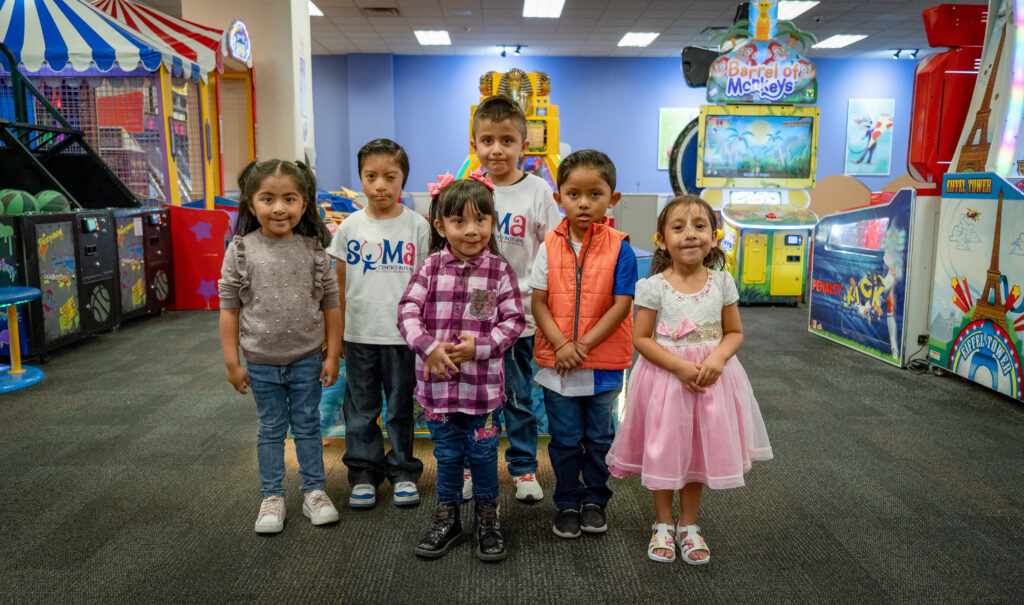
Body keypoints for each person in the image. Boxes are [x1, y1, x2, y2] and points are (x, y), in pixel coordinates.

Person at [605, 195, 773, 565]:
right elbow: (642, 339)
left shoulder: (723, 282)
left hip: (712, 379)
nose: (690, 235)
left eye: (700, 226)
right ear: (662, 240)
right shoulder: (652, 286)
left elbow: (734, 332)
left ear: (714, 237)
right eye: (678, 227)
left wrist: (718, 357)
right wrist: (679, 367)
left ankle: (689, 525)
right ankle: (663, 523)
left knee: (698, 449)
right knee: (665, 449)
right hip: (667, 379)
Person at [398, 173, 526, 561]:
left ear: (492, 222)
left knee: (485, 457)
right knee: (448, 456)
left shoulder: (499, 271)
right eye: (459, 221)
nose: (471, 230)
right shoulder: (431, 267)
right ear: (440, 226)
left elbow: (514, 321)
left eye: (481, 220)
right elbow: (407, 311)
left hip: (482, 392)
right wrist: (429, 348)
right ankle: (447, 517)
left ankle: (487, 518)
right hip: (437, 392)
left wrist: (481, 347)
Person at [218, 159, 342, 534]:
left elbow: (332, 305)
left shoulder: (314, 249)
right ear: (251, 204)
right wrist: (231, 363)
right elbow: (229, 310)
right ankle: (272, 496)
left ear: (304, 204)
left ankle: (314, 491)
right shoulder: (241, 250)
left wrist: (333, 353)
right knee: (270, 428)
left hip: (307, 358)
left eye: (289, 199)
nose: (278, 208)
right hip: (260, 362)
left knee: (308, 425)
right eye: (267, 198)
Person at [530, 150, 637, 539]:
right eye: (573, 194)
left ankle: (595, 500)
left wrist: (582, 345)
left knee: (599, 438)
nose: (584, 203)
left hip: (603, 364)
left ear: (613, 198)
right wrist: (561, 344)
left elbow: (622, 305)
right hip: (558, 362)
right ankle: (566, 502)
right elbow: (538, 301)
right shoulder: (549, 244)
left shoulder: (620, 246)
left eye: (595, 194)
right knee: (564, 439)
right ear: (558, 197)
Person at [461, 95, 562, 503]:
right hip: (479, 309)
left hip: (521, 313)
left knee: (519, 398)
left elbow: (552, 251)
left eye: (506, 140)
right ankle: (473, 465)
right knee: (476, 398)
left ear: (524, 145)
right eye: (487, 140)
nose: (496, 149)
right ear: (475, 144)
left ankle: (523, 469)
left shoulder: (538, 191)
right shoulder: (469, 189)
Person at [326, 139, 429, 509]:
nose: (380, 185)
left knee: (401, 407)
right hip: (359, 336)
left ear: (403, 180)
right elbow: (337, 285)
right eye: (371, 176)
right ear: (361, 179)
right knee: (361, 409)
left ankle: (403, 471)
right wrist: (333, 336)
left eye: (390, 176)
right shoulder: (349, 227)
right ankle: (363, 473)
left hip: (404, 338)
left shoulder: (418, 227)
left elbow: (427, 283)